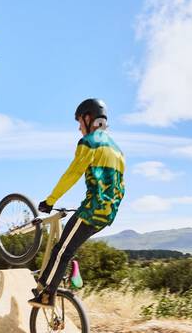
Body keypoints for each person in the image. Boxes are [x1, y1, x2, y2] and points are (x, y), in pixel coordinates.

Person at [29, 98, 126, 307]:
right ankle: (64, 275)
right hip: (108, 213)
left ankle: (46, 293)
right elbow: (116, 185)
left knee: (61, 251)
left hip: (92, 210)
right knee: (68, 248)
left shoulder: (90, 142)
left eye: (79, 122)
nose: (79, 128)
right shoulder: (117, 150)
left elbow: (73, 173)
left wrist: (50, 200)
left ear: (88, 117)